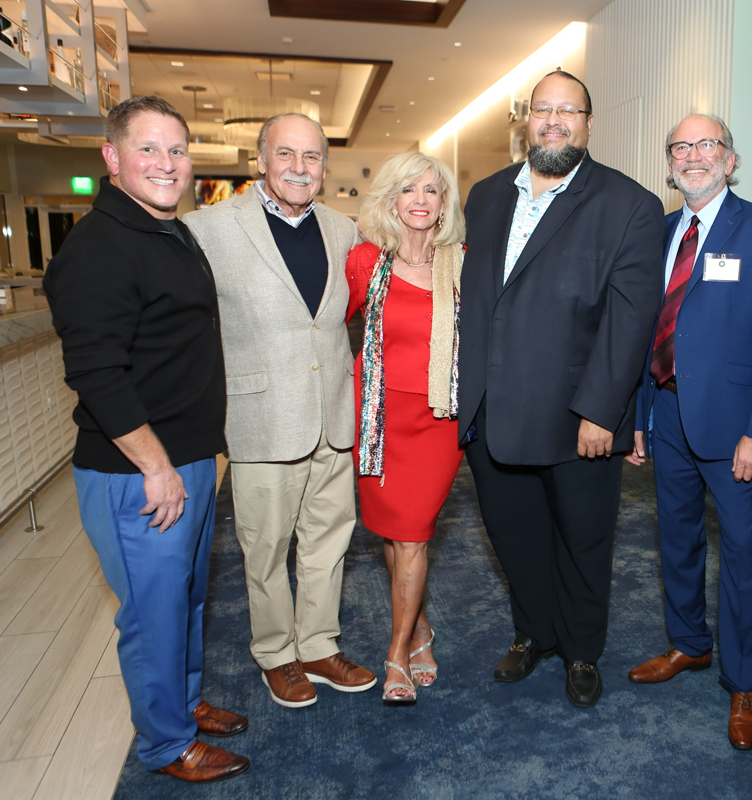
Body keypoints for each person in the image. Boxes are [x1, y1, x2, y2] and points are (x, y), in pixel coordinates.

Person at [44, 96, 248, 783]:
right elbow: (96, 374)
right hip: (137, 470)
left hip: (186, 458)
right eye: (149, 149)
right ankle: (165, 744)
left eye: (177, 150)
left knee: (186, 597)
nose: (167, 164)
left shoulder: (167, 230)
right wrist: (157, 468)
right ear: (112, 157)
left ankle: (181, 705)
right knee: (154, 613)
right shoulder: (97, 248)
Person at [458, 70, 665, 708]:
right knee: (513, 536)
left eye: (568, 111)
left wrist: (602, 411)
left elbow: (629, 322)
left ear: (589, 124)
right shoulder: (486, 195)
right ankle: (534, 633)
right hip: (493, 411)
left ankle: (580, 650)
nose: (554, 121)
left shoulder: (629, 204)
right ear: (527, 120)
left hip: (577, 417)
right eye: (543, 109)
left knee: (583, 540)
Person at [185, 113, 375, 709]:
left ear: (325, 166)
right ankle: (275, 653)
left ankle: (317, 645)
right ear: (261, 160)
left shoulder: (344, 229)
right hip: (261, 418)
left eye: (312, 156)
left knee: (329, 540)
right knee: (265, 548)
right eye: (286, 154)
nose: (299, 167)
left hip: (332, 415)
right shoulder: (208, 228)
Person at [625, 114, 752, 750]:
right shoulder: (661, 231)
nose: (693, 155)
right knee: (676, 536)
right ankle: (689, 643)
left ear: (729, 160)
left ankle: (746, 680)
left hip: (734, 423)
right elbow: (646, 329)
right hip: (667, 411)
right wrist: (639, 416)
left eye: (707, 145)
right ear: (670, 162)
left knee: (745, 552)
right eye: (681, 147)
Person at [345, 151, 465, 705]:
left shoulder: (462, 264)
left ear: (444, 203)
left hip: (438, 420)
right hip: (378, 417)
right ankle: (418, 631)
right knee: (394, 533)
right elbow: (326, 327)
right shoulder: (364, 262)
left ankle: (395, 653)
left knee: (413, 533)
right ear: (390, 200)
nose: (420, 199)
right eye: (409, 189)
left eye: (431, 190)